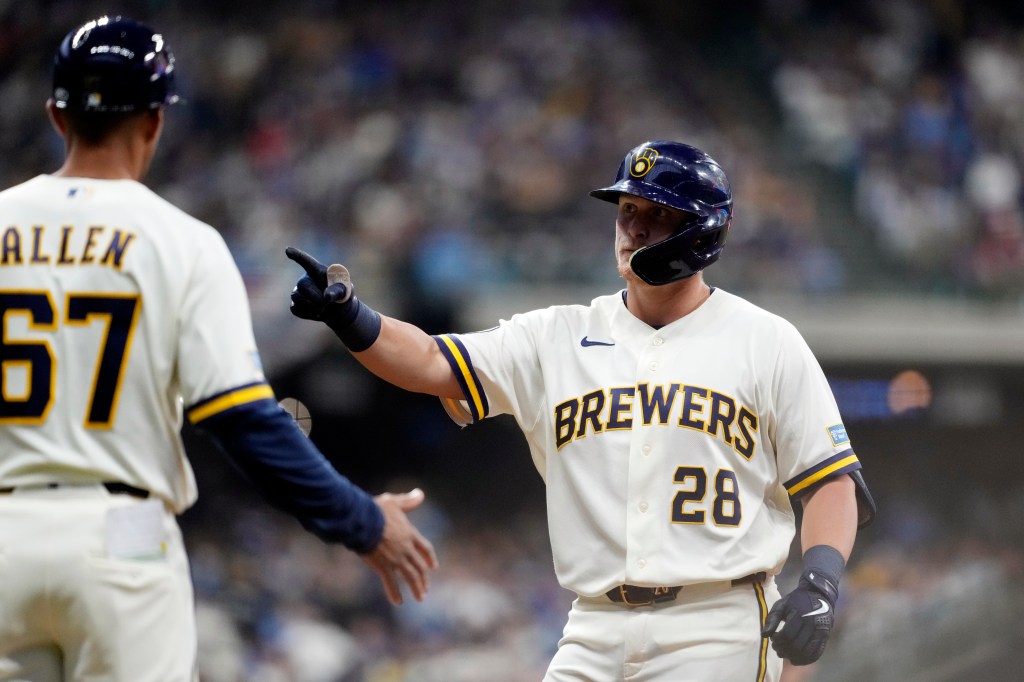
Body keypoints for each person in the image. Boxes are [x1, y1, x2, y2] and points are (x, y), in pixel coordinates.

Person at [287, 140, 875, 681]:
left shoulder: (765, 341)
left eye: (657, 214)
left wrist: (820, 583)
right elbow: (431, 362)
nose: (633, 228)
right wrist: (351, 318)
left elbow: (829, 481)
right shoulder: (557, 336)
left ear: (703, 229)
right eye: (627, 211)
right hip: (594, 624)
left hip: (718, 622)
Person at [0, 16, 437, 682]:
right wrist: (361, 519)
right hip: (124, 531)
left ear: (56, 116)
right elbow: (243, 421)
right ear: (154, 121)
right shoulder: (183, 242)